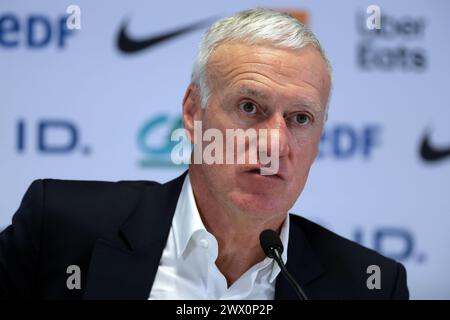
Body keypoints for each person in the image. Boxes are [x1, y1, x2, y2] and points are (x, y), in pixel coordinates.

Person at [0, 8, 408, 300]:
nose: (275, 145)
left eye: (300, 118)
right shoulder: (60, 229)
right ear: (193, 113)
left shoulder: (368, 285)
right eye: (250, 108)